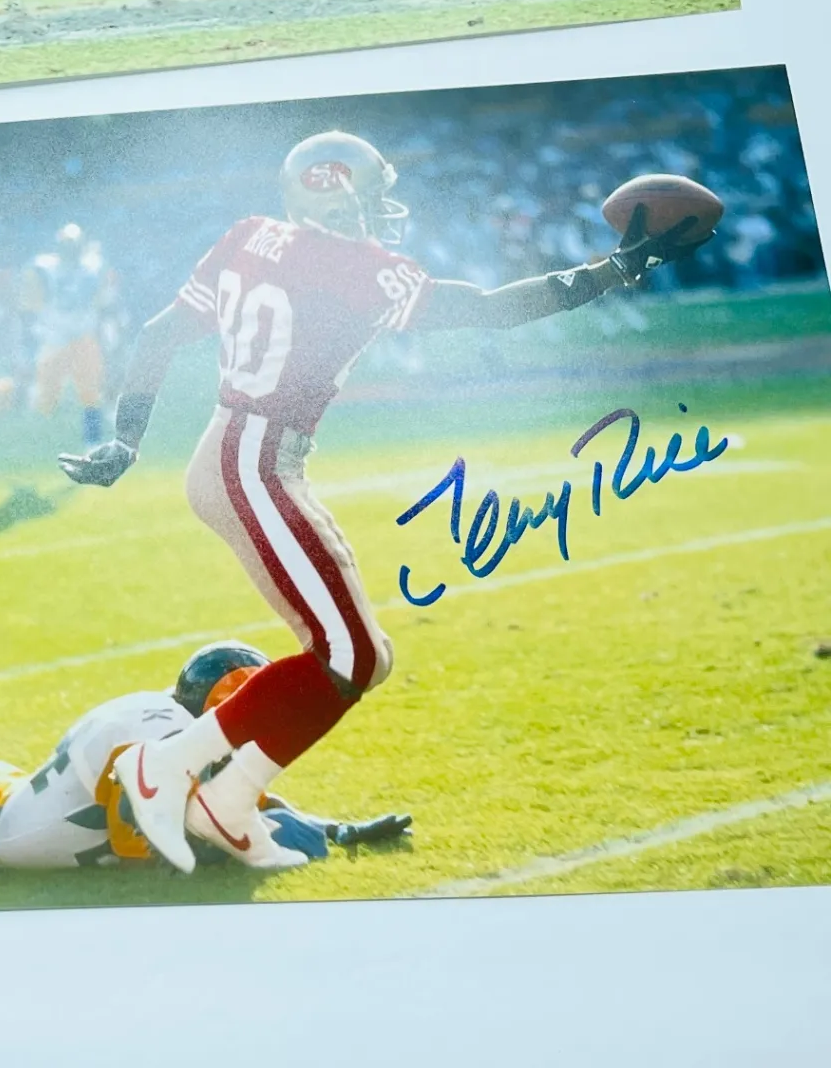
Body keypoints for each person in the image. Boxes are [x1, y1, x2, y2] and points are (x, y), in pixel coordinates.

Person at [57, 132, 711, 873]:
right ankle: (169, 767)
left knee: (365, 657)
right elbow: (490, 310)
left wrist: (127, 438)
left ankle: (229, 803)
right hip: (253, 462)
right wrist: (613, 270)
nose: (380, 210)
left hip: (239, 453)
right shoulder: (359, 267)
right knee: (349, 653)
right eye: (371, 196)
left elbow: (159, 333)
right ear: (344, 197)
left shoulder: (248, 234)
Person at [0, 642, 409, 872]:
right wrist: (249, 849)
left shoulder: (181, 733)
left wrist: (336, 831)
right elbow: (139, 842)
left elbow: (233, 808)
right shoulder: (158, 733)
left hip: (4, 800)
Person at [22, 224, 113, 448]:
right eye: (67, 246)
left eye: (73, 246)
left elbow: (102, 297)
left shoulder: (92, 265)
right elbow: (30, 299)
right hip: (54, 337)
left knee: (90, 390)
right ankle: (38, 441)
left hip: (82, 336)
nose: (71, 251)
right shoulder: (45, 267)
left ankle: (92, 440)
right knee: (46, 397)